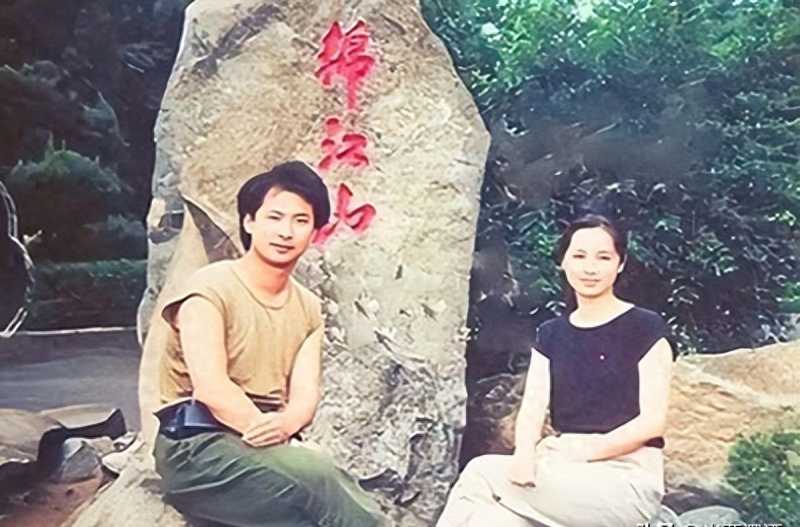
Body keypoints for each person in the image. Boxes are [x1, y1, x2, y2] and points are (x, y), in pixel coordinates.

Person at [152, 161, 385, 527]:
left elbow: (304, 398)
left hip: (265, 443)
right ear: (249, 222)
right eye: (274, 217)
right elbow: (212, 388)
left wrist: (285, 426)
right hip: (197, 447)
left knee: (314, 506)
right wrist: (271, 434)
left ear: (315, 232)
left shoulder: (308, 307)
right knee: (317, 479)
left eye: (300, 221)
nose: (285, 232)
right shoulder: (209, 288)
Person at [436, 214, 673, 527]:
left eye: (603, 257)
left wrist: (583, 451)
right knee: (495, 519)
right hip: (562, 472)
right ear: (563, 261)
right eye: (579, 256)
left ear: (620, 263)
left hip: (625, 479)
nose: (590, 268)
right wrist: (524, 456)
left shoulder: (645, 327)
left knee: (480, 473)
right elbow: (532, 410)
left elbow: (652, 422)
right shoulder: (551, 334)